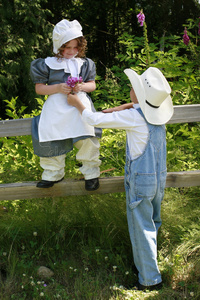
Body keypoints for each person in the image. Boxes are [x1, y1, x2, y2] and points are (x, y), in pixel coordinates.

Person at [67, 67, 174, 290]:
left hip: (141, 182)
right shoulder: (155, 117)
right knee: (153, 222)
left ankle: (149, 280)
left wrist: (78, 103)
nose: (129, 90)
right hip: (158, 179)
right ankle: (148, 266)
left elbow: (94, 119)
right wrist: (125, 106)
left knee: (141, 227)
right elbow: (139, 111)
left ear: (138, 95)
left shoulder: (133, 117)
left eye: (132, 88)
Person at [30, 19, 101, 191]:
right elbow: (39, 89)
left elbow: (92, 85)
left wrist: (81, 86)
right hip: (56, 107)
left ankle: (91, 173)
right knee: (51, 135)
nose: (71, 51)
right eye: (67, 47)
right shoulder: (46, 64)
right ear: (58, 45)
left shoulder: (85, 63)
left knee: (86, 135)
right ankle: (52, 173)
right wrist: (57, 87)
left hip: (79, 104)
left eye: (75, 47)